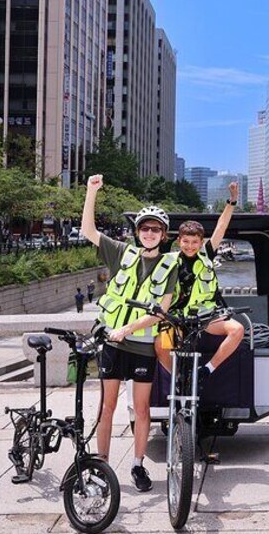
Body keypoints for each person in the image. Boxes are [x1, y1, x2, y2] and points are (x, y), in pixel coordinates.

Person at [81, 174, 179, 493]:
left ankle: (137, 465)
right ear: (137, 232)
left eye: (155, 229)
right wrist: (91, 193)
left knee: (142, 409)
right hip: (111, 343)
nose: (149, 233)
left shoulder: (169, 266)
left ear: (163, 235)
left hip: (141, 347)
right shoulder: (122, 252)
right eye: (144, 228)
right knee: (106, 406)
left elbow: (159, 310)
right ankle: (102, 465)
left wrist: (128, 329)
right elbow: (88, 231)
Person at [156, 182, 244, 384]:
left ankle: (207, 370)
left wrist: (231, 201)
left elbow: (221, 226)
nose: (190, 246)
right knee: (160, 345)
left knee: (237, 330)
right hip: (176, 318)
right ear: (179, 241)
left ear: (201, 242)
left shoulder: (206, 255)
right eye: (185, 242)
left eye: (194, 242)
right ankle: (177, 377)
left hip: (205, 316)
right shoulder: (168, 260)